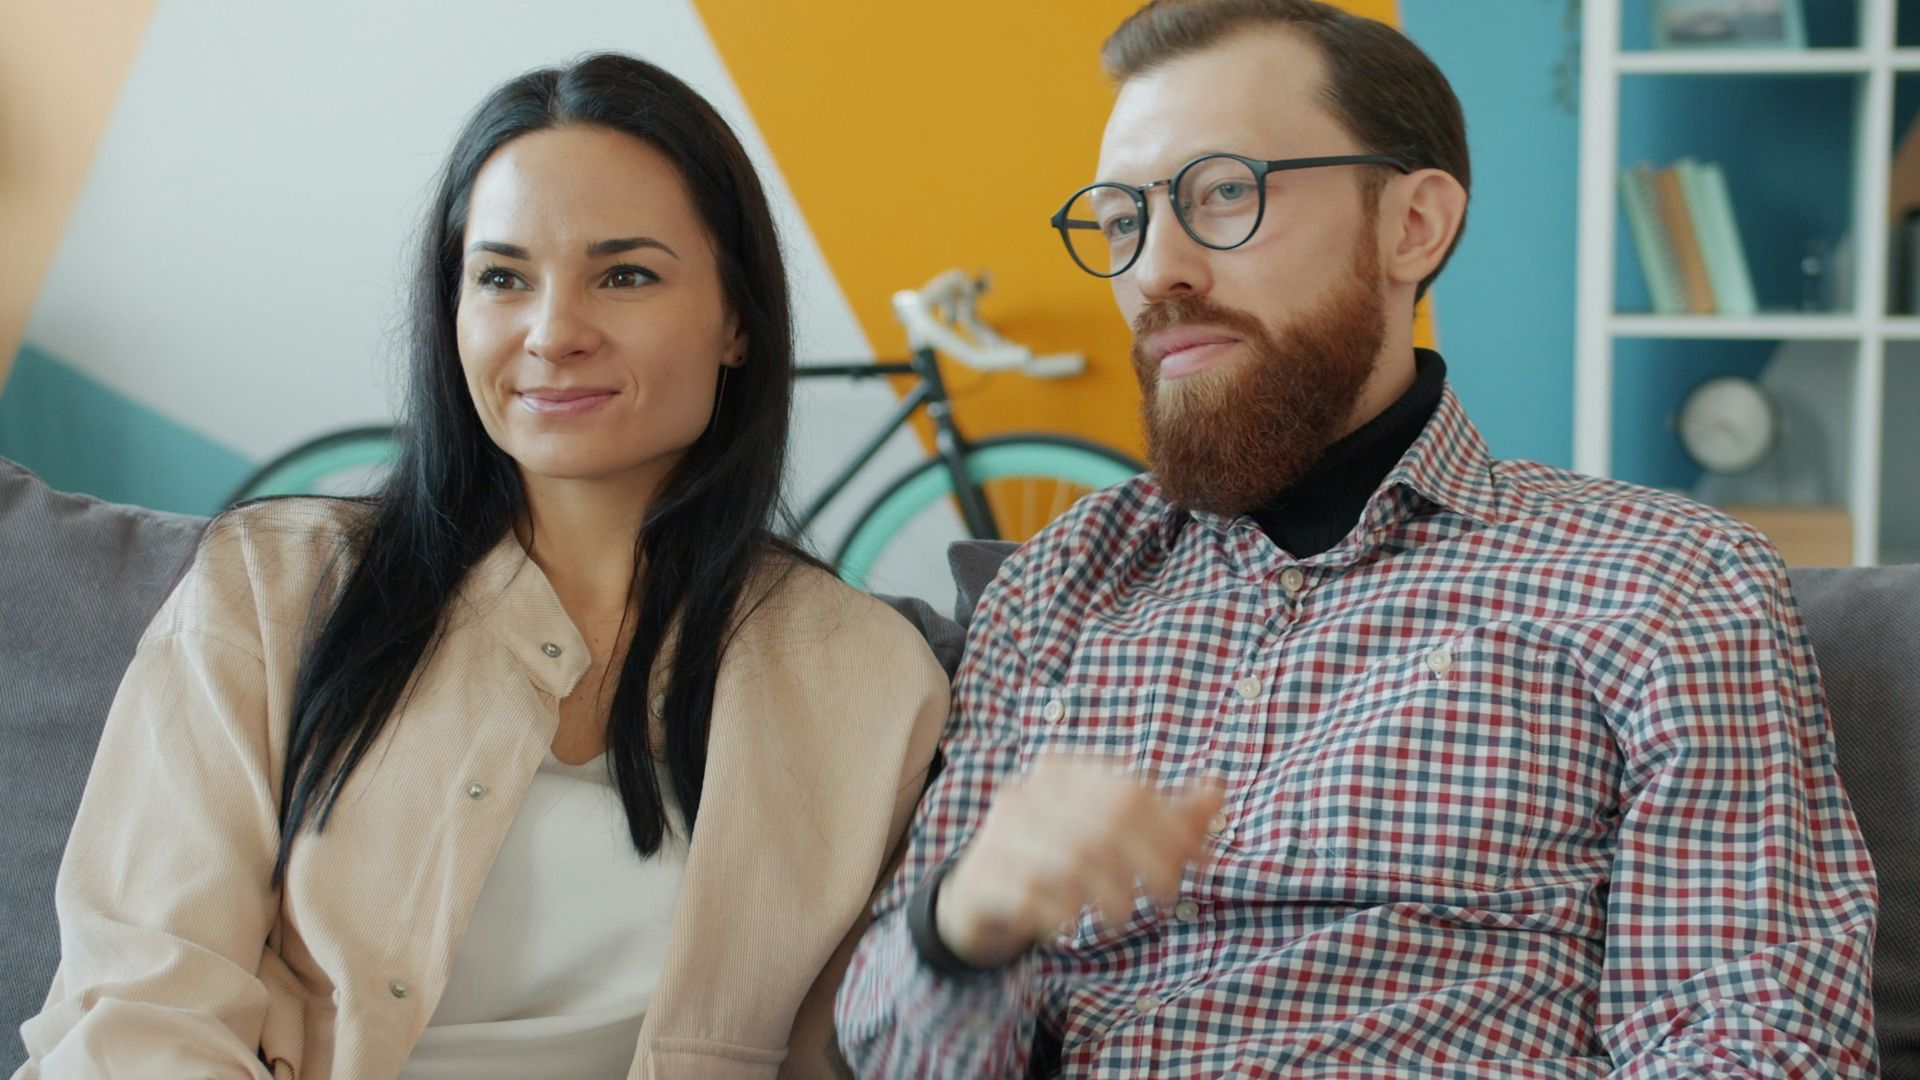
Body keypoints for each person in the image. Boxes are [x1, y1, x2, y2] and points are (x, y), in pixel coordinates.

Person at [836, 1, 1879, 1075]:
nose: (1155, 271)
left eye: (1224, 192)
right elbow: (891, 1059)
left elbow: (1755, 1037)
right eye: (1120, 220)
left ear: (1413, 225)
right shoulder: (1056, 590)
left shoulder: (1666, 581)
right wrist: (962, 927)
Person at [16, 53, 947, 1079]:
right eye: (502, 278)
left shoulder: (867, 678)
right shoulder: (271, 588)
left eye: (625, 275)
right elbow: (141, 1005)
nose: (553, 333)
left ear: (737, 319)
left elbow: (856, 1050)